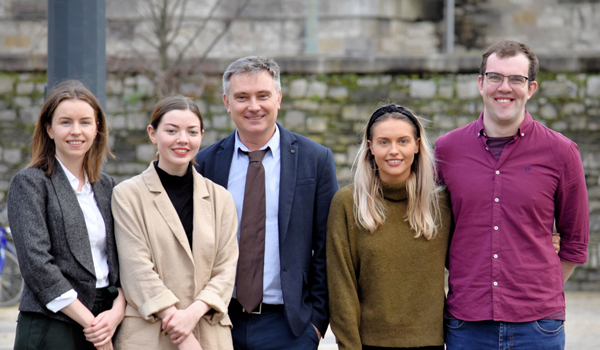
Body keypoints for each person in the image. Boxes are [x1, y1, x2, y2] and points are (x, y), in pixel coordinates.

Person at [435, 39, 589, 349]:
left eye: (516, 79)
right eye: (495, 77)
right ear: (481, 84)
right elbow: (433, 231)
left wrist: (538, 291)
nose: (504, 87)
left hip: (538, 328)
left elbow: (575, 242)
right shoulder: (446, 150)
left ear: (531, 88)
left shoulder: (561, 152)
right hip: (467, 325)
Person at [195, 56, 338, 349]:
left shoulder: (315, 160)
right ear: (226, 102)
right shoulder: (205, 163)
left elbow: (328, 244)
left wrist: (316, 323)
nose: (253, 106)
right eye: (242, 97)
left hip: (290, 327)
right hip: (219, 320)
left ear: (279, 98)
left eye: (263, 95)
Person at [112, 96, 239, 350]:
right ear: (152, 133)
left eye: (192, 132)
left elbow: (226, 270)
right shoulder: (127, 195)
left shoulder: (220, 198)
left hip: (209, 333)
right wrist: (182, 331)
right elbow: (136, 270)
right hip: (149, 335)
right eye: (171, 130)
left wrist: (191, 316)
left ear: (201, 135)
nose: (183, 139)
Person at [7, 80, 125, 350]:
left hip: (105, 318)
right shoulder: (30, 183)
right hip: (53, 322)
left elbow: (123, 257)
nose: (76, 131)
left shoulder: (107, 186)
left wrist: (117, 311)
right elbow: (37, 265)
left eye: (85, 122)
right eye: (65, 122)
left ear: (97, 129)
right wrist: (91, 323)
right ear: (49, 129)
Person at [327, 104, 451, 350]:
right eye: (384, 142)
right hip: (369, 344)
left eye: (403, 141)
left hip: (431, 343)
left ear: (417, 145)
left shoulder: (442, 204)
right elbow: (341, 287)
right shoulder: (348, 203)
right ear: (370, 147)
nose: (394, 151)